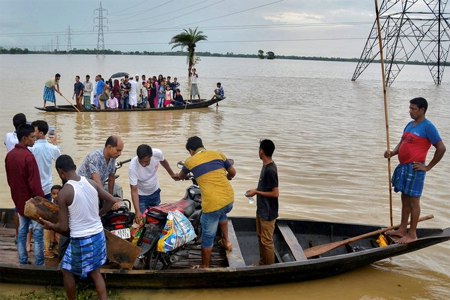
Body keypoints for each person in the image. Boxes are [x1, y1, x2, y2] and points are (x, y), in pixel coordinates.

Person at [40, 155, 117, 300]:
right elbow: (111, 200)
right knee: (95, 272)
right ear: (75, 167)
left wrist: (49, 225)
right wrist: (98, 214)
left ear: (60, 172)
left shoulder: (65, 192)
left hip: (81, 239)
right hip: (98, 235)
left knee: (66, 270)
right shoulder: (91, 183)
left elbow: (63, 227)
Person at [384, 97, 446, 244]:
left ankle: (412, 234)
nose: (410, 111)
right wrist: (392, 153)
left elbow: (441, 148)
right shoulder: (410, 125)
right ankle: (402, 229)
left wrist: (428, 167)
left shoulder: (428, 127)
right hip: (404, 168)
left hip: (415, 169)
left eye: (413, 109)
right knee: (404, 198)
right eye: (409, 108)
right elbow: (402, 142)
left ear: (422, 110)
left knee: (414, 201)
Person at [177, 136, 236, 268]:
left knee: (208, 235)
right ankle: (227, 242)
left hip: (213, 204)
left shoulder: (190, 161)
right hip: (229, 199)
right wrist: (228, 177)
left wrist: (176, 176)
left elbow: (181, 176)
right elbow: (233, 172)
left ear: (191, 151)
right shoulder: (218, 154)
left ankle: (205, 266)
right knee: (222, 213)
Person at [5, 124, 45, 265]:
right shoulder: (29, 157)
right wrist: (41, 202)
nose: (35, 140)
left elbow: (10, 180)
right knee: (38, 233)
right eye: (32, 137)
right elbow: (34, 184)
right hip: (32, 203)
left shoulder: (9, 156)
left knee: (22, 231)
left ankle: (22, 260)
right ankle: (39, 263)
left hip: (19, 200)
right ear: (24, 138)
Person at [245, 139, 279, 265]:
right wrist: (255, 190)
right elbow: (266, 188)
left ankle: (269, 268)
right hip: (262, 209)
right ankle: (262, 262)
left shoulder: (270, 170)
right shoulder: (265, 166)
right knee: (261, 238)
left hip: (268, 212)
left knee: (267, 241)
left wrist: (257, 193)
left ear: (262, 151)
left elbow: (275, 193)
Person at [129, 144, 179, 222]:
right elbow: (134, 190)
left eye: (146, 161)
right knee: (143, 221)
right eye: (141, 161)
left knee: (157, 219)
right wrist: (137, 211)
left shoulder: (157, 153)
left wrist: (171, 174)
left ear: (151, 157)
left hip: (155, 192)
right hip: (141, 197)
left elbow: (163, 161)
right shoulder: (133, 166)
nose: (143, 164)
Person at [30, 120, 61, 200]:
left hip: (34, 188)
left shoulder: (31, 149)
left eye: (34, 131)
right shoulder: (53, 148)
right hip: (48, 188)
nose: (32, 133)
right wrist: (54, 143)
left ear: (41, 133)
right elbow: (59, 161)